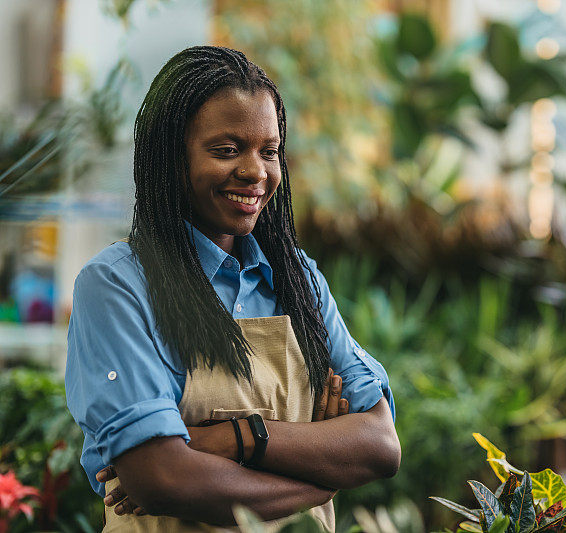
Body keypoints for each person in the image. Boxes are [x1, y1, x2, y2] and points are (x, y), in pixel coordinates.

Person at [65, 46, 400, 532]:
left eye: (269, 150)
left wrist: (239, 439)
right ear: (171, 158)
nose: (256, 172)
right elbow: (162, 477)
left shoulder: (298, 281)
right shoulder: (118, 286)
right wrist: (319, 481)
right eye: (226, 150)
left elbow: (378, 446)